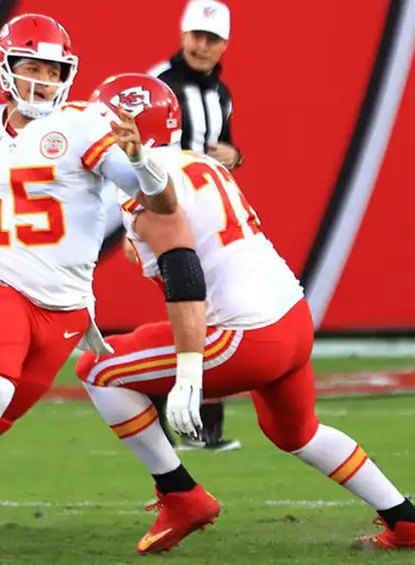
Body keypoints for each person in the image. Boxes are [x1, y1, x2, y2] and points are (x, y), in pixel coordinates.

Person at [0, 14, 209, 565]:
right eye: (30, 67)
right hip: (1, 284)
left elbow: (157, 202)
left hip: (65, 308)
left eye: (52, 70)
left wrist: (140, 157)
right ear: (5, 68)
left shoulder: (86, 124)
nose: (41, 81)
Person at [77, 73, 415, 554]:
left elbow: (185, 274)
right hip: (290, 317)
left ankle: (180, 494)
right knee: (296, 432)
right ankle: (411, 524)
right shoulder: (200, 164)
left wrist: (188, 371)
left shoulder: (147, 190)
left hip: (245, 334)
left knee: (97, 368)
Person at [146, 0, 243, 452]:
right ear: (183, 36)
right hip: (167, 214)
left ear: (224, 44)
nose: (202, 46)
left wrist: (233, 155)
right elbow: (138, 156)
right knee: (190, 310)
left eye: (212, 39)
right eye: (196, 36)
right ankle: (177, 417)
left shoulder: (221, 94)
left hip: (208, 215)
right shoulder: (157, 86)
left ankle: (203, 424)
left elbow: (226, 150)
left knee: (213, 311)